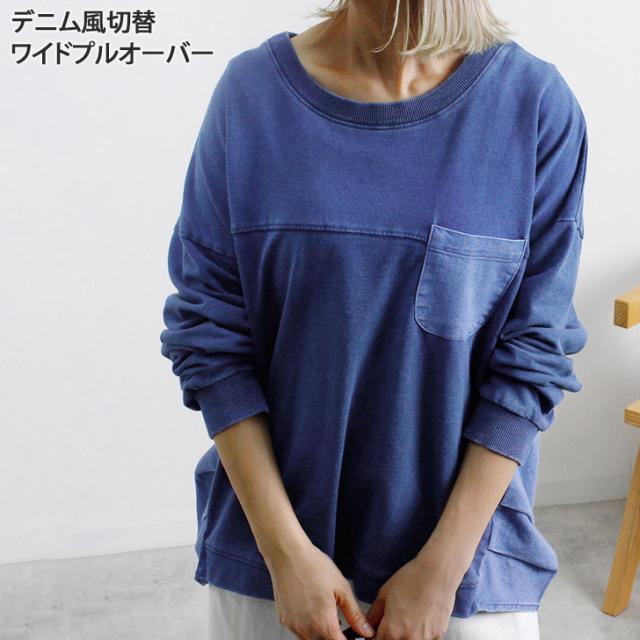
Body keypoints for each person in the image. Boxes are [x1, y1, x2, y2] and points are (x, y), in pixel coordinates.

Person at [160, 1, 589, 638]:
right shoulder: (251, 97)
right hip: (277, 569)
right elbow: (210, 337)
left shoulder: (532, 106)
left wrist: (441, 571)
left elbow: (534, 354)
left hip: (463, 572)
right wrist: (286, 554)